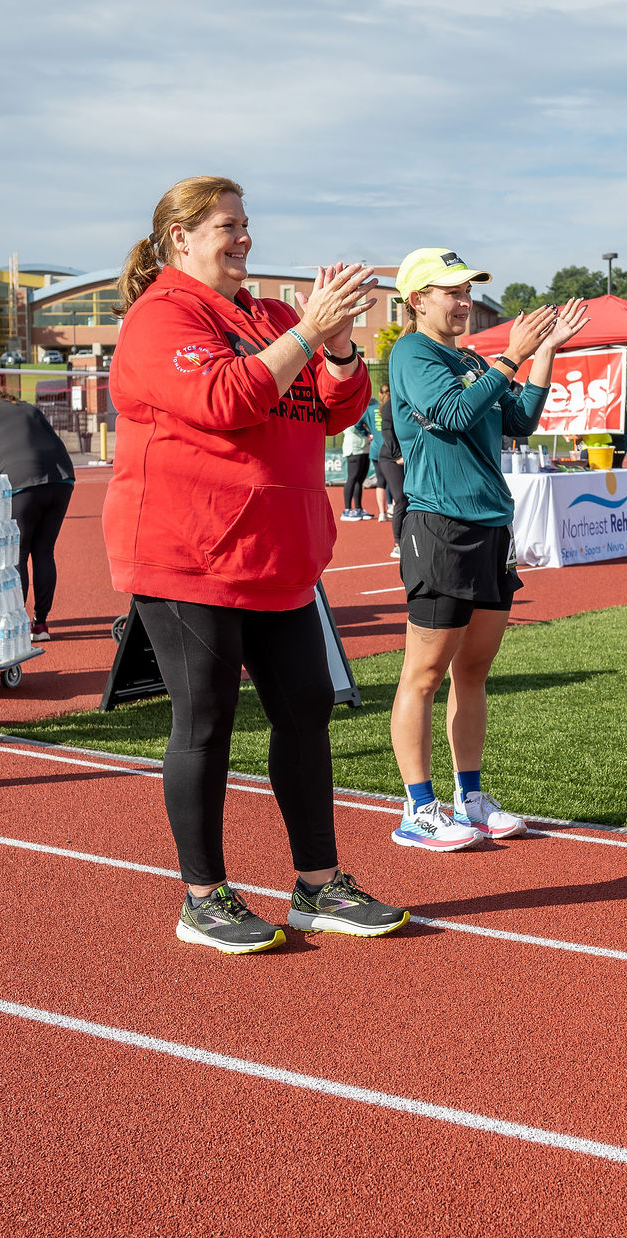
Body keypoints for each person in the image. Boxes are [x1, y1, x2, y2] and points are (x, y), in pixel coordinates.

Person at [104, 174, 406, 953]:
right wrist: (309, 332)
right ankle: (202, 898)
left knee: (306, 709)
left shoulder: (271, 315)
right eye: (227, 225)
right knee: (205, 719)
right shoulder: (161, 316)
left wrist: (338, 346)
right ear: (181, 238)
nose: (244, 237)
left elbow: (337, 409)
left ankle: (317, 884)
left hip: (277, 555)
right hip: (190, 552)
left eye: (245, 223)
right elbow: (225, 398)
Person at [386, 248, 586, 850]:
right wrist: (512, 356)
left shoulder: (473, 360)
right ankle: (418, 808)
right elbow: (449, 415)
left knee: (472, 671)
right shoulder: (411, 353)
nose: (465, 301)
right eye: (452, 291)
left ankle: (468, 798)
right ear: (418, 300)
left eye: (467, 290)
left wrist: (544, 352)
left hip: (493, 526)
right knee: (424, 674)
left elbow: (519, 420)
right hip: (441, 526)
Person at [0, 380, 77, 640]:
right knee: (44, 551)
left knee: (17, 553)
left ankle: (18, 622)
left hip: (23, 483)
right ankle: (40, 623)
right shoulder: (27, 407)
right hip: (62, 479)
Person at [374, 381, 406, 557]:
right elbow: (387, 430)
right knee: (401, 498)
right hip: (390, 458)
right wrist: (397, 455)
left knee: (413, 499)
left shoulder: (412, 399)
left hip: (407, 458)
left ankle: (411, 538)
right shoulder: (390, 405)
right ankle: (398, 543)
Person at [339, 407, 373, 520]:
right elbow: (353, 427)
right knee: (352, 478)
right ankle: (347, 510)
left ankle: (358, 508)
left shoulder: (361, 409)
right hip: (354, 449)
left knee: (360, 480)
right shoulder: (349, 411)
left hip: (364, 448)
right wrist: (366, 430)